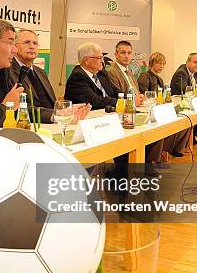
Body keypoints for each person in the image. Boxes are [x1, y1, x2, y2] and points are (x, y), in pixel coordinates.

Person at [64, 42, 162, 174]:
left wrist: (131, 99)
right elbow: (96, 101)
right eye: (99, 58)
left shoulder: (101, 74)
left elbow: (116, 92)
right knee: (126, 138)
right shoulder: (77, 77)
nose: (102, 61)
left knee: (145, 130)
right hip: (87, 126)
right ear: (87, 60)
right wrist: (128, 102)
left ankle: (131, 170)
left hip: (108, 118)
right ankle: (123, 174)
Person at [9, 29, 90, 123]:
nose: (32, 46)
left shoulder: (40, 71)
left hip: (53, 124)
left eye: (35, 43)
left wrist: (66, 111)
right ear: (15, 46)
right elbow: (17, 107)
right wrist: (55, 115)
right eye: (27, 43)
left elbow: (51, 103)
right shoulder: (7, 71)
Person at [138, 52, 190, 158]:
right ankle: (154, 156)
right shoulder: (145, 76)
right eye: (159, 63)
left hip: (159, 109)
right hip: (148, 110)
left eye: (163, 64)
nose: (162, 66)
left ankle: (174, 147)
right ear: (152, 63)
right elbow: (143, 96)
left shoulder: (160, 79)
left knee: (183, 119)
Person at [170, 52, 197, 144]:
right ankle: (185, 140)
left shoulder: (196, 72)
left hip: (191, 102)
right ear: (188, 62)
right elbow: (186, 91)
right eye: (195, 62)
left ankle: (191, 137)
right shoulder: (181, 73)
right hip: (179, 104)